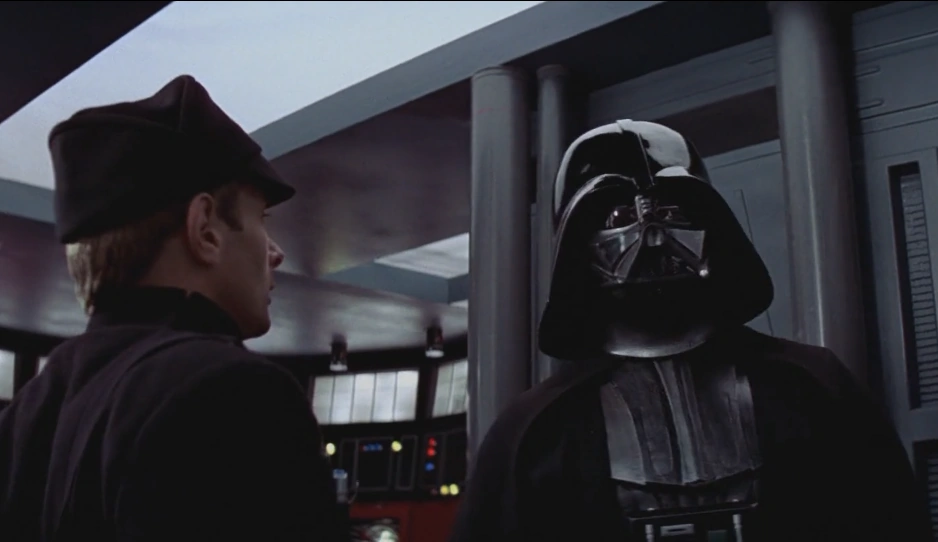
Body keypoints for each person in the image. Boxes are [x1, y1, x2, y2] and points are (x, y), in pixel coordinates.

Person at [450, 120, 932, 542]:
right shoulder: (537, 430)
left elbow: (889, 522)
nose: (652, 234)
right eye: (621, 217)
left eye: (672, 213)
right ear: (579, 245)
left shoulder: (811, 385)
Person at [0, 75, 340, 541]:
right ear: (205, 229)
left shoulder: (30, 410)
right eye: (260, 219)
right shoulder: (236, 394)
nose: (275, 252)